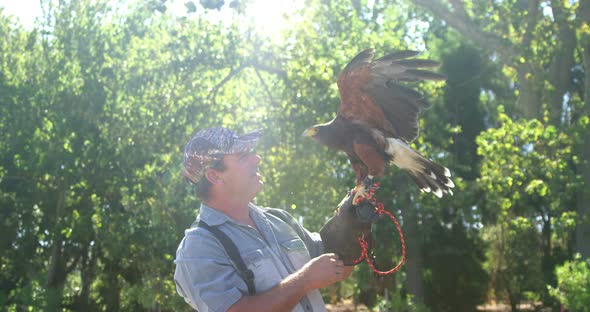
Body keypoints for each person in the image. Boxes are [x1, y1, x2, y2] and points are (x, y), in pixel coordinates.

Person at [174, 127, 355, 312]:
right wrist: (304, 280)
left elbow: (338, 266)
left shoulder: (278, 219)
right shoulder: (198, 248)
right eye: (243, 156)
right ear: (214, 175)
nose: (257, 158)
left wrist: (356, 220)